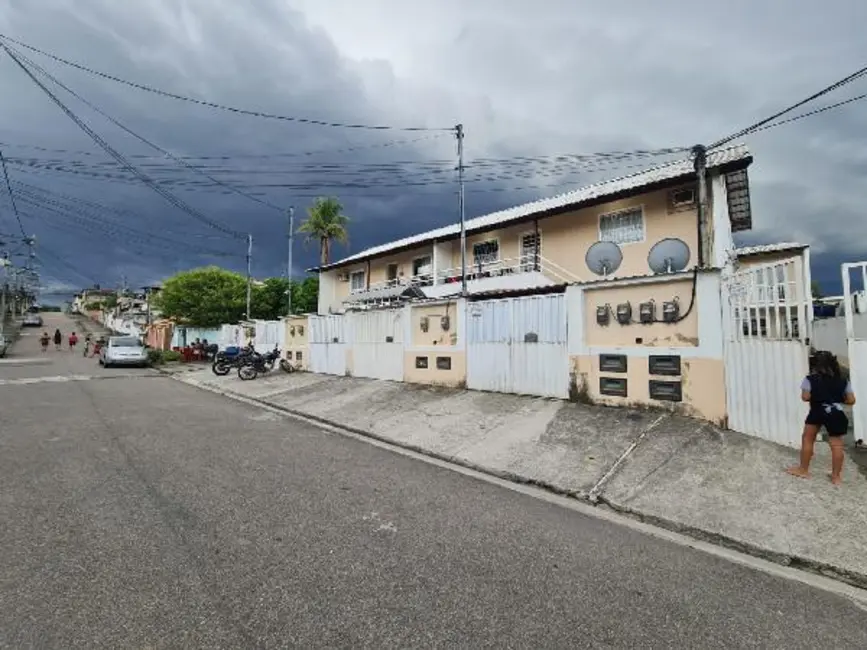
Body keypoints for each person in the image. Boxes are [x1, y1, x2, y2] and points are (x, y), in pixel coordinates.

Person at [787, 351, 856, 485]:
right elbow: (851, 400)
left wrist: (819, 397)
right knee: (837, 444)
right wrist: (835, 400)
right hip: (836, 413)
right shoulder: (843, 380)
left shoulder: (810, 379)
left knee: (808, 439)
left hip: (817, 411)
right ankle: (836, 477)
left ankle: (803, 470)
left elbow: (805, 397)